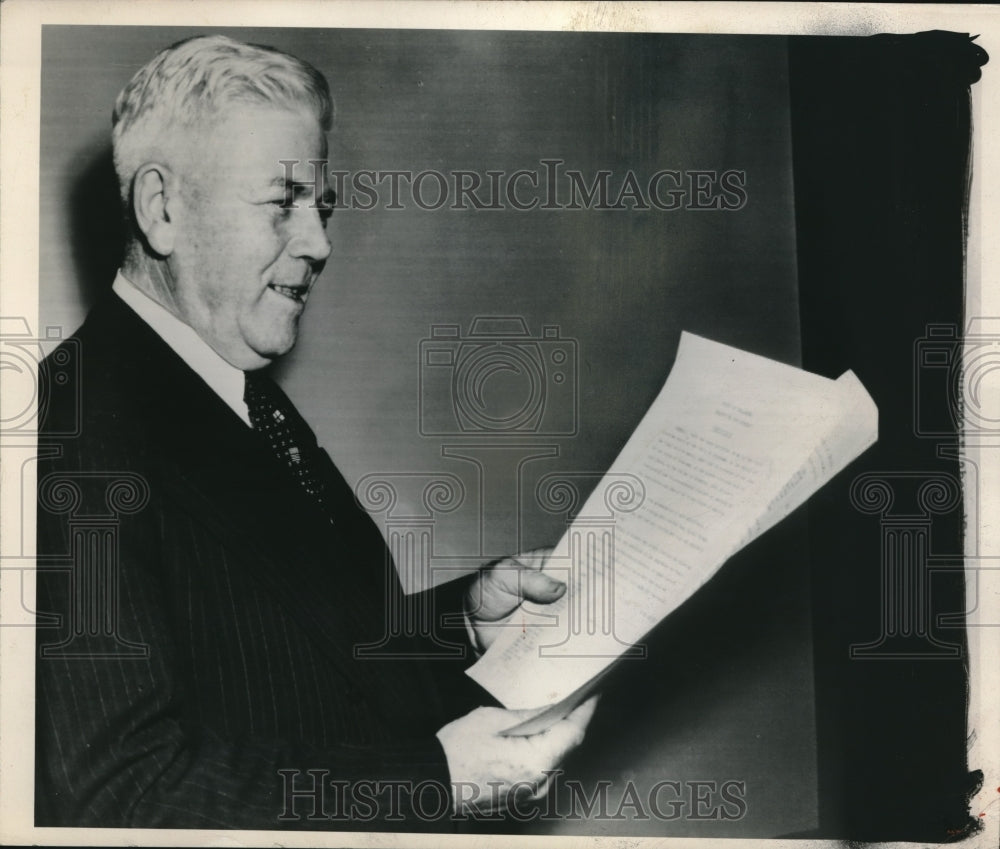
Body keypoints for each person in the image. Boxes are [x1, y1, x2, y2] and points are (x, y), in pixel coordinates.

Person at [34, 34, 595, 831]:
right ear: (162, 209)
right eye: (283, 202)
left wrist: (463, 622)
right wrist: (438, 776)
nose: (320, 243)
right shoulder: (71, 426)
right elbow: (120, 790)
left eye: (321, 205)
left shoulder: (241, 396)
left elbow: (303, 658)